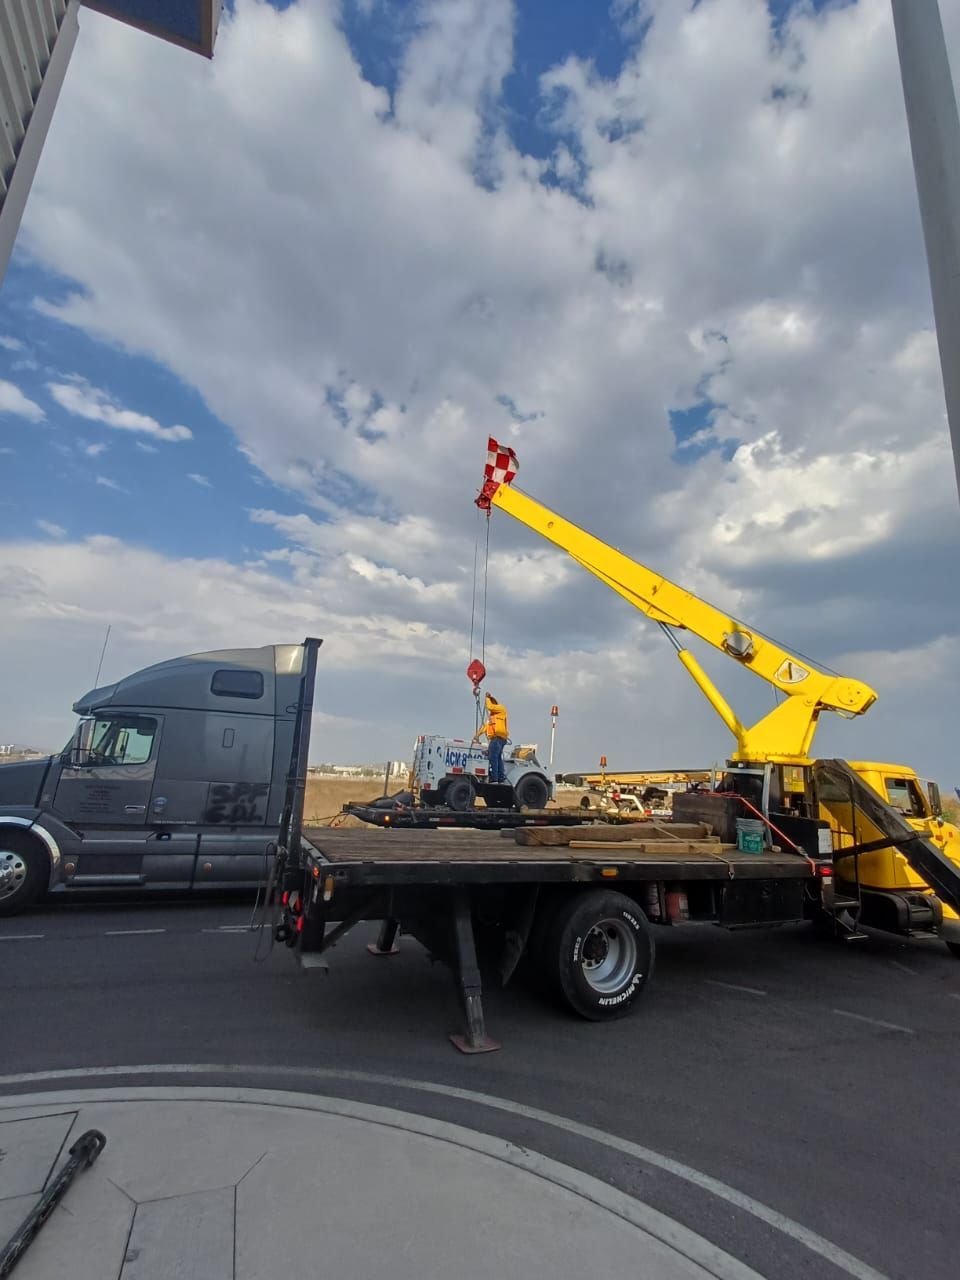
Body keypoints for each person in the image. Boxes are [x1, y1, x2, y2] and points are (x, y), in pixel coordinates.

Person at [477, 691, 509, 783]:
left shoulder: (501, 709)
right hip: (498, 739)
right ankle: (500, 777)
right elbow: (485, 727)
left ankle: (494, 778)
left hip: (497, 738)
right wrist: (477, 735)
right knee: (497, 758)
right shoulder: (492, 717)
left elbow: (490, 706)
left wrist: (487, 698)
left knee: (493, 757)